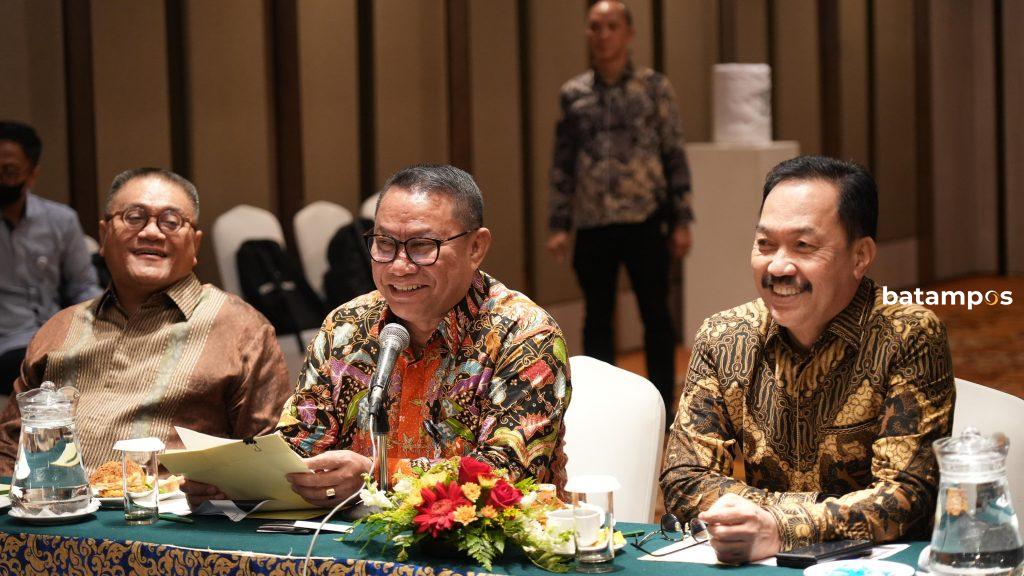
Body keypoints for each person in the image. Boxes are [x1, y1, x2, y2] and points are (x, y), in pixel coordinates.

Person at [187, 165, 571, 509]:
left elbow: (508, 477)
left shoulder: (524, 336)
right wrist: (237, 480)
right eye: (384, 244)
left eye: (422, 246)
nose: (399, 267)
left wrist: (379, 475)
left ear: (476, 247)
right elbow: (301, 444)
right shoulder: (347, 327)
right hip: (349, 542)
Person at [660, 156, 955, 563]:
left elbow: (906, 497)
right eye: (765, 244)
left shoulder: (908, 335)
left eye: (803, 246)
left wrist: (779, 526)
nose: (778, 266)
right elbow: (684, 478)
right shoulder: (724, 337)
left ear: (860, 256)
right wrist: (774, 522)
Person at [0, 167, 292, 475]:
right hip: (54, 503)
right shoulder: (59, 329)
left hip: (174, 505)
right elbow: (9, 448)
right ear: (104, 235)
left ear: (195, 244)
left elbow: (271, 459)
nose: (152, 232)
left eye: (171, 221)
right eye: (134, 217)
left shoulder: (241, 330)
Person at [547, 0, 693, 418]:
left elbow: (673, 154)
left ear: (629, 33)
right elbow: (563, 162)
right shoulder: (574, 94)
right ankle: (604, 409)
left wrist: (682, 219)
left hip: (646, 219)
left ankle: (662, 406)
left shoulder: (653, 88)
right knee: (597, 319)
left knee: (656, 315)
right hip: (594, 223)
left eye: (612, 26)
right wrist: (559, 224)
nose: (603, 35)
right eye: (595, 26)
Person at [0, 121, 101, 396]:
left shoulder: (60, 220)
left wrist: (105, 323)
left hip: (55, 334)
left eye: (10, 172)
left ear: (32, 174)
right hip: (8, 344)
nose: (2, 179)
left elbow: (83, 285)